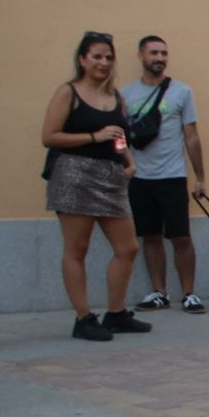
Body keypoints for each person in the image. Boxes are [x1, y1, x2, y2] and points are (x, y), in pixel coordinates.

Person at [41, 32, 152, 341]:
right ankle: (83, 317)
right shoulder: (69, 92)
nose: (103, 63)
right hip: (74, 175)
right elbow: (49, 136)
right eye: (97, 57)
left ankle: (115, 314)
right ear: (82, 60)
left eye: (108, 57)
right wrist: (93, 137)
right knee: (77, 249)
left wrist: (128, 159)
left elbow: (117, 134)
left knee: (127, 247)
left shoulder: (114, 96)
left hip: (112, 178)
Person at [123, 36, 209, 314]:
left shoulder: (181, 92)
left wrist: (200, 178)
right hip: (139, 177)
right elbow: (120, 137)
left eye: (163, 53)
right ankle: (159, 292)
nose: (159, 58)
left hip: (172, 177)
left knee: (181, 237)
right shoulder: (125, 95)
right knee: (150, 236)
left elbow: (192, 137)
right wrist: (123, 165)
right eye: (154, 53)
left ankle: (189, 293)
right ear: (141, 56)